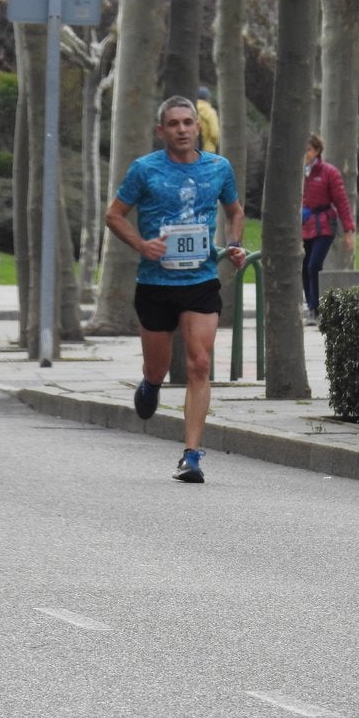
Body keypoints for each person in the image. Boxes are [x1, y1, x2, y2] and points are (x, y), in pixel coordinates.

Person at [105, 94, 247, 483]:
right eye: (174, 124)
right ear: (161, 130)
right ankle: (151, 384)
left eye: (188, 122)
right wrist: (142, 245)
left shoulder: (218, 168)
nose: (182, 129)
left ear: (198, 127)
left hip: (201, 280)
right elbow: (113, 215)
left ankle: (191, 455)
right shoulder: (144, 170)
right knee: (160, 366)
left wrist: (234, 245)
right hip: (155, 282)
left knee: (199, 362)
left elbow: (234, 211)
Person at [301, 133, 355, 322]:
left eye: (307, 149)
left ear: (316, 151)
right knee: (303, 266)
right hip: (303, 226)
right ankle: (310, 306)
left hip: (324, 225)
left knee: (314, 265)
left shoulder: (329, 172)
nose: (304, 153)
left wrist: (348, 231)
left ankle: (315, 308)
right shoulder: (297, 173)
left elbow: (341, 202)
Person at [195, 86, 220, 154]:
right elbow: (214, 133)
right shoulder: (210, 112)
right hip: (208, 150)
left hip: (194, 150)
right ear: (208, 98)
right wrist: (214, 144)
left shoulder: (193, 109)